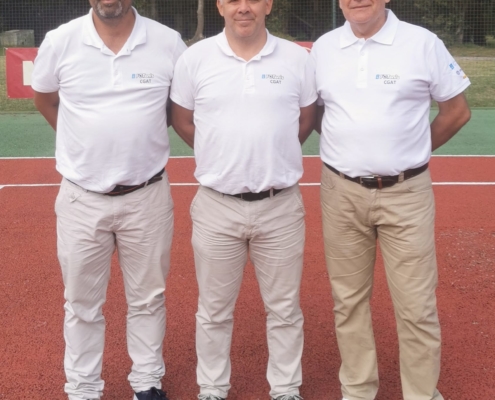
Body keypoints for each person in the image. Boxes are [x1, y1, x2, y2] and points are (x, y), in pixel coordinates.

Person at [307, 0, 471, 399]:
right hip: (341, 193)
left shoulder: (422, 43)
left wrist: (411, 152)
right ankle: (358, 390)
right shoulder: (323, 48)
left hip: (406, 194)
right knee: (348, 302)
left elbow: (457, 111)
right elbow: (316, 114)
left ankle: (421, 393)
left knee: (416, 306)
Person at [31, 1, 186, 399]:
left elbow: (175, 107)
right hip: (82, 197)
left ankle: (147, 383)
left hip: (147, 195)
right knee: (81, 302)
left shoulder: (168, 42)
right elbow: (45, 99)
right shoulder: (60, 41)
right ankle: (83, 388)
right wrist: (83, 144)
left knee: (148, 299)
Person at [170, 0, 317, 399]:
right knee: (213, 310)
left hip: (280, 205)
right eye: (233, 0)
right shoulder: (195, 58)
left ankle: (285, 389)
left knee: (284, 310)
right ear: (220, 6)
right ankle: (212, 388)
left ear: (268, 4)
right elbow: (182, 119)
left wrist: (273, 152)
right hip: (217, 205)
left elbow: (306, 118)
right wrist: (219, 155)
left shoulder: (296, 59)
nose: (244, 8)